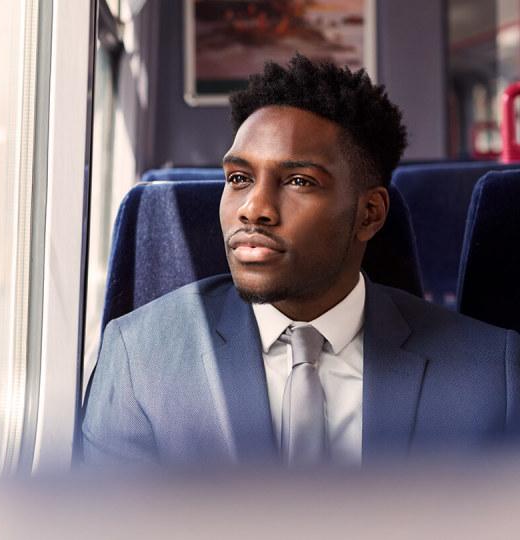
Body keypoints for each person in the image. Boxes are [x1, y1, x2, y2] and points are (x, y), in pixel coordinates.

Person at [81, 54, 520, 467]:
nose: (254, 208)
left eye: (298, 181)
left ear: (369, 214)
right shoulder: (141, 357)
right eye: (239, 178)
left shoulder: (489, 373)